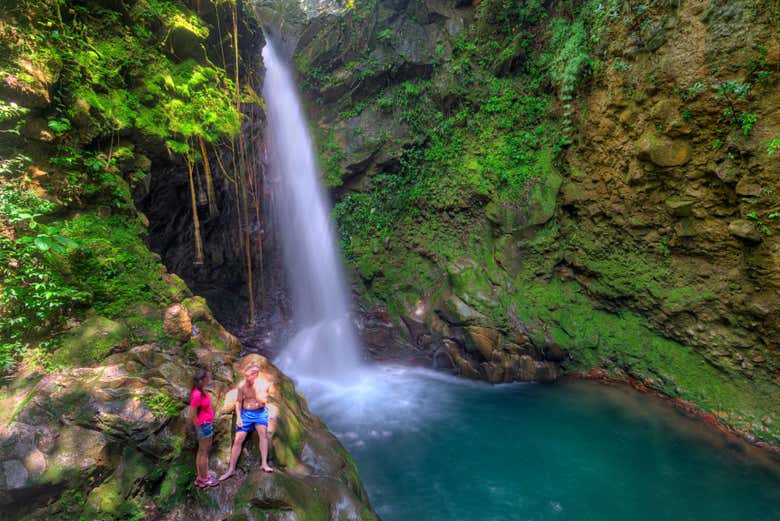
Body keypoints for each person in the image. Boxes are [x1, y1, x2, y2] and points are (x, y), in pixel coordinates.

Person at [220, 364, 275, 479]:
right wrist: (239, 417)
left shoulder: (263, 385)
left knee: (263, 435)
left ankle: (264, 463)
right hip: (246, 414)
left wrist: (256, 393)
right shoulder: (242, 386)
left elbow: (263, 402)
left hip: (259, 413)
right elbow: (238, 402)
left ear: (255, 375)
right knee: (238, 440)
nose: (246, 378)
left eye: (248, 376)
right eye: (245, 376)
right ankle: (231, 469)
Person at [189, 367, 219, 488]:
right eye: (208, 377)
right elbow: (192, 414)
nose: (210, 378)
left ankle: (201, 476)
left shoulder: (200, 390)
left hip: (204, 425)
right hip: (203, 426)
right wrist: (199, 428)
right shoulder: (197, 394)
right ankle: (205, 478)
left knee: (201, 452)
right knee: (204, 453)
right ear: (202, 379)